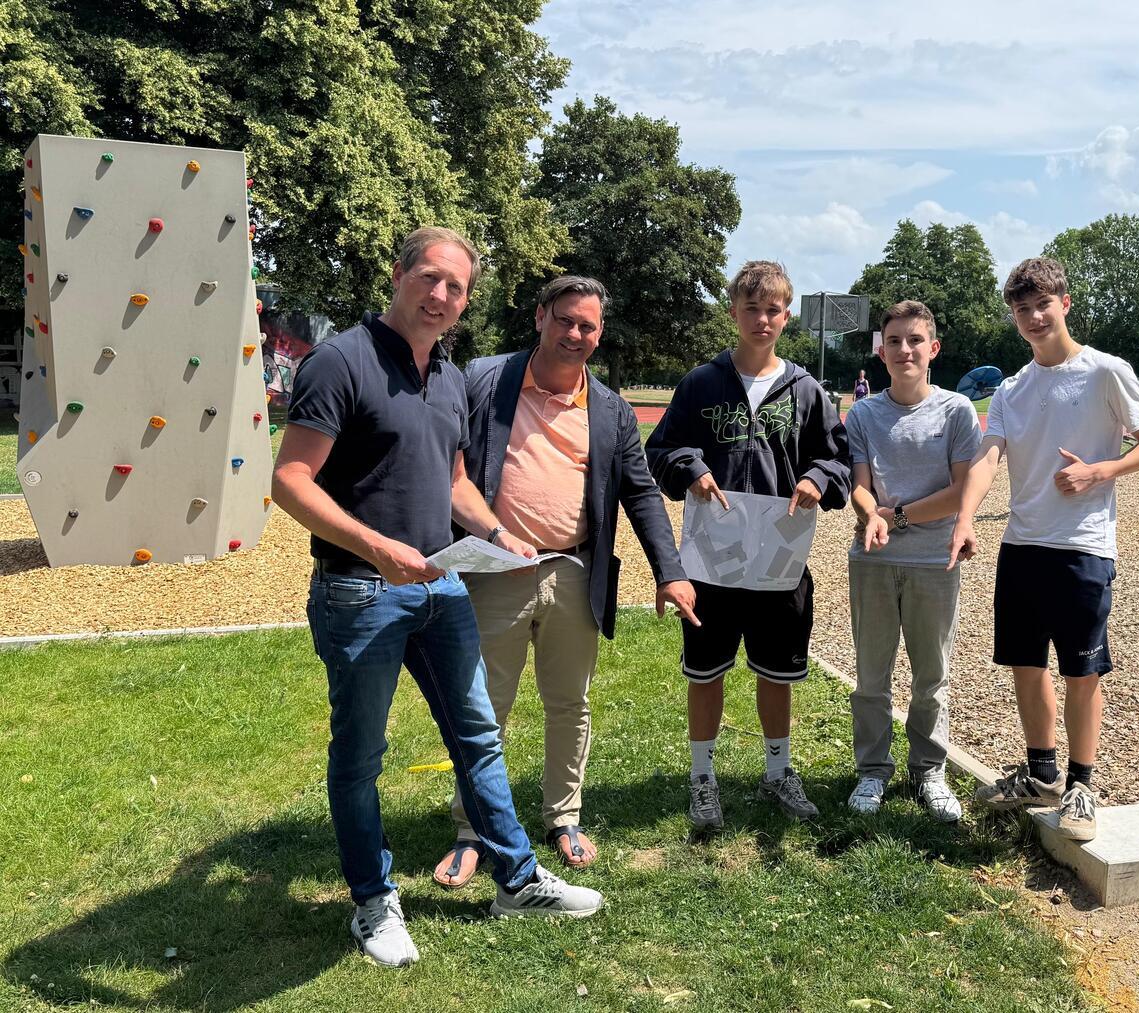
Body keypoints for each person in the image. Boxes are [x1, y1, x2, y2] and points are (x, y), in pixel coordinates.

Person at [272, 227, 603, 969]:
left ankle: (516, 878)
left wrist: (497, 530)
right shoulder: (341, 361)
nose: (442, 296)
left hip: (444, 585)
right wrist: (377, 548)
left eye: (456, 287)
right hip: (360, 589)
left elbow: (453, 479)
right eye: (430, 278)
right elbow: (289, 480)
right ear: (399, 275)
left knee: (478, 736)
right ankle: (372, 900)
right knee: (360, 756)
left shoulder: (449, 375)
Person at [435, 276, 696, 887]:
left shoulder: (610, 410)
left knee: (569, 704)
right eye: (565, 321)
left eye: (589, 326)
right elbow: (445, 462)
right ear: (539, 319)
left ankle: (564, 817)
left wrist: (671, 572)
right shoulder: (484, 382)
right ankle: (472, 830)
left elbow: (641, 494)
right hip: (494, 570)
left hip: (577, 573)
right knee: (482, 709)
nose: (576, 335)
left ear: (600, 333)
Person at [947, 256, 1139, 842]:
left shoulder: (1104, 373)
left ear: (1064, 304)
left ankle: (1081, 786)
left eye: (1042, 305)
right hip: (1022, 545)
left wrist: (1101, 470)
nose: (1034, 317)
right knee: (1025, 663)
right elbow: (989, 457)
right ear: (1014, 318)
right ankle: (1041, 774)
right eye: (1022, 310)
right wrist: (966, 518)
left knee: (1082, 669)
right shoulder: (1014, 389)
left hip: (1083, 547)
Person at [646, 260, 851, 829]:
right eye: (752, 308)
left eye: (773, 310)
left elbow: (837, 456)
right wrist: (690, 467)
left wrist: (817, 480)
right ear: (734, 312)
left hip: (780, 561)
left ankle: (778, 770)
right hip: (713, 562)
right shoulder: (701, 383)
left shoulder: (807, 389)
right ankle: (702, 778)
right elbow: (661, 449)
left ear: (787, 316)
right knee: (706, 671)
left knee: (775, 671)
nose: (762, 319)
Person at [845, 301, 982, 823]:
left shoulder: (955, 412)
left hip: (933, 562)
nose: (905, 350)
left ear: (933, 349)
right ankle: (872, 772)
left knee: (932, 676)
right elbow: (860, 485)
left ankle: (929, 772)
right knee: (871, 677)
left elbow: (960, 493)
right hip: (873, 560)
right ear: (882, 351)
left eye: (915, 340)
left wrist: (895, 515)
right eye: (895, 341)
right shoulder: (862, 414)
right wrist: (870, 515)